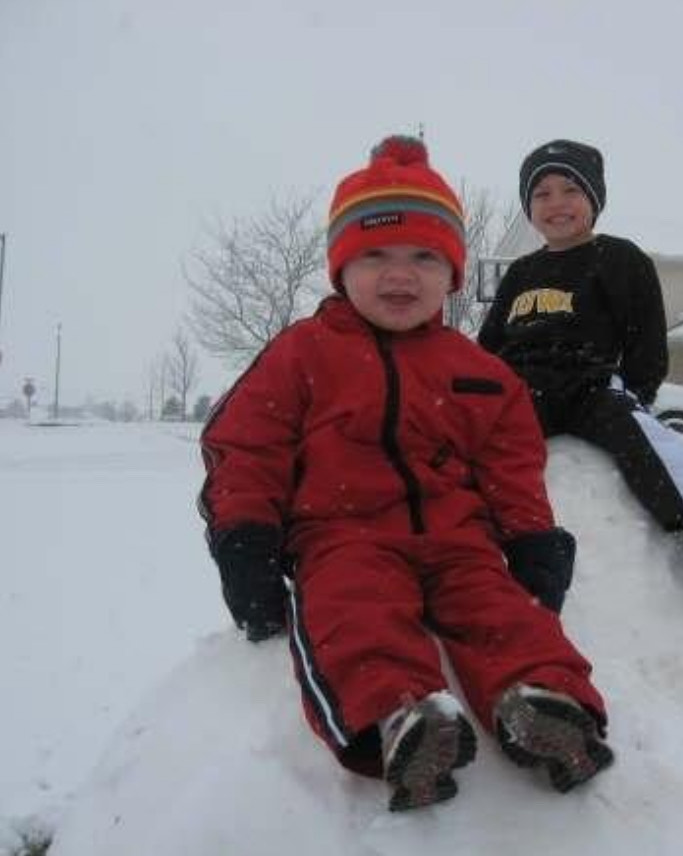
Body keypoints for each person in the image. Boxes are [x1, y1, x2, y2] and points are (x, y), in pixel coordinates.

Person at [199, 136, 613, 812]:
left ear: (452, 272)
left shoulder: (478, 371)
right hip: (342, 537)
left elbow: (511, 462)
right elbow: (248, 443)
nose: (401, 275)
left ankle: (546, 705)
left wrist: (531, 538)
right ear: (341, 267)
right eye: (376, 255)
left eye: (425, 256)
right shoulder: (304, 352)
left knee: (502, 609)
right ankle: (403, 721)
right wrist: (242, 536)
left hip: (459, 541)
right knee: (352, 611)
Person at [478, 139, 683, 595]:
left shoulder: (619, 258)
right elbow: (488, 346)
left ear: (594, 199)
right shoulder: (521, 273)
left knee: (641, 434)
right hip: (522, 390)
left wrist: (634, 392)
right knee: (480, 444)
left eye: (570, 190)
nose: (556, 203)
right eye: (541, 194)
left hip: (590, 382)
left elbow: (646, 339)